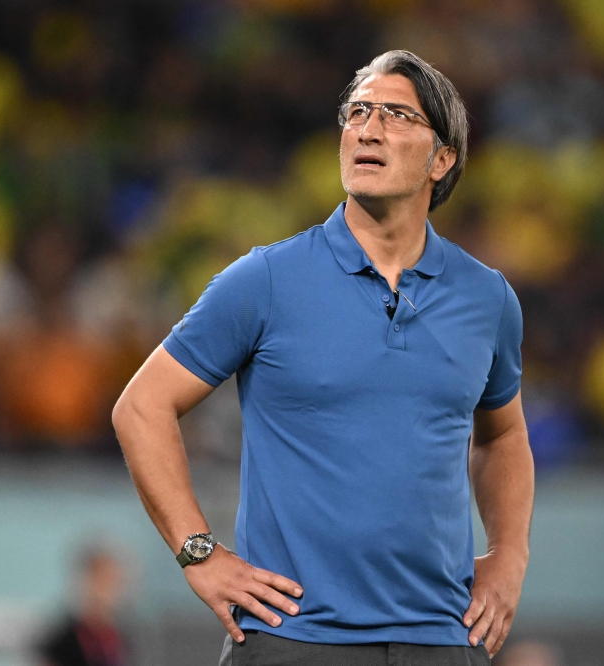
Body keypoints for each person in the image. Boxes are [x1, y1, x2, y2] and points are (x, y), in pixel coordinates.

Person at [113, 50, 534, 665]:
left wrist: (510, 555)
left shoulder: (487, 298)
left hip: (442, 642)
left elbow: (502, 436)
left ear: (442, 159)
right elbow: (141, 407)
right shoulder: (265, 279)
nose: (368, 129)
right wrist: (198, 552)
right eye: (357, 111)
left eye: (396, 115)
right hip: (292, 640)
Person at [39, 543, 130, 666]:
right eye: (99, 579)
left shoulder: (124, 638)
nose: (105, 590)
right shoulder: (62, 641)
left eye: (111, 581)